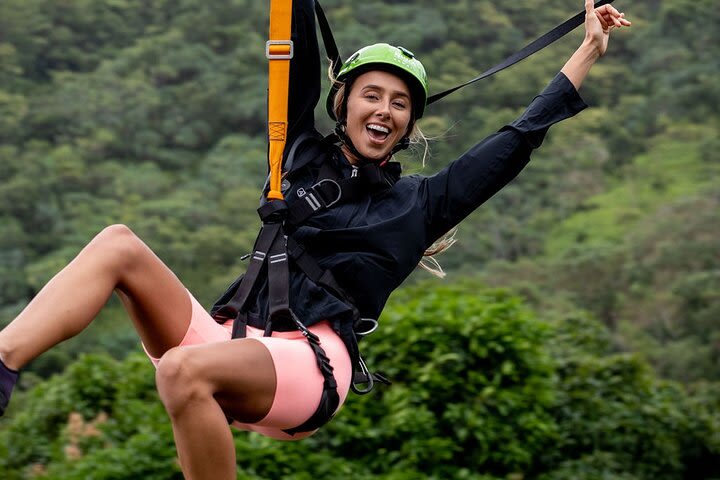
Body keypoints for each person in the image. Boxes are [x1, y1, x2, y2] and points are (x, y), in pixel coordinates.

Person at [0, 0, 630, 478]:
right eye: (371, 95)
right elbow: (293, 34)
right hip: (236, 335)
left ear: (411, 122)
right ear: (344, 103)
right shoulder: (298, 154)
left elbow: (517, 139)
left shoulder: (420, 204)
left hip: (310, 362)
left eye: (400, 103)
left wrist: (586, 53)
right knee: (118, 245)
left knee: (183, 371)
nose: (384, 110)